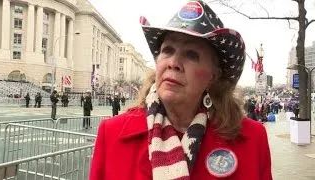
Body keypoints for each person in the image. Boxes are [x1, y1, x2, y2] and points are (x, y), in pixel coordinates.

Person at [90, 1, 272, 179]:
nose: (173, 63)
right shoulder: (112, 134)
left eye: (191, 55)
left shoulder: (252, 138)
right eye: (167, 50)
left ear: (213, 75)